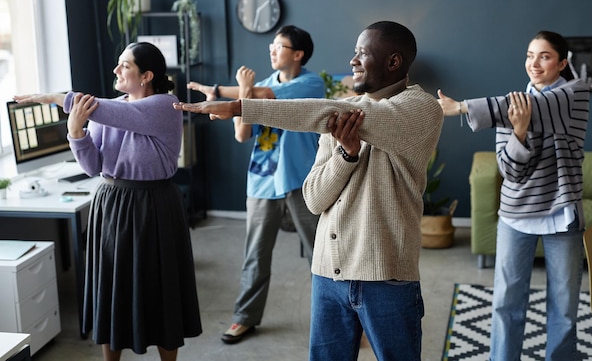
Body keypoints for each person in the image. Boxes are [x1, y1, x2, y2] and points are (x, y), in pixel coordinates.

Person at [173, 21, 444, 360]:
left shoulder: (420, 109)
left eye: (362, 53)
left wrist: (242, 107)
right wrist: (347, 155)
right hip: (327, 275)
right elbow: (315, 199)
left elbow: (347, 113)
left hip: (386, 276)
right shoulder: (339, 114)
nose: (353, 61)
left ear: (393, 62)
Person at [15, 41, 202, 361]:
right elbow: (93, 167)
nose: (116, 70)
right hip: (113, 203)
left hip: (154, 204)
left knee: (159, 288)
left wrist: (52, 98)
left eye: (125, 65)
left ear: (146, 76)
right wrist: (76, 133)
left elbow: (120, 113)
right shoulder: (104, 110)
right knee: (112, 289)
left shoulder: (165, 106)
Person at [437, 30, 589, 360]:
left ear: (562, 63)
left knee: (564, 306)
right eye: (529, 55)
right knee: (507, 301)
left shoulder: (575, 94)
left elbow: (539, 107)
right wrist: (518, 131)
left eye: (545, 56)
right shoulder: (512, 108)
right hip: (516, 214)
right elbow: (510, 171)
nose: (534, 63)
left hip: (561, 217)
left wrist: (462, 107)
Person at [188, 25, 324, 344]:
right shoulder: (258, 85)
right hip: (262, 183)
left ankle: (342, 317)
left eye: (279, 45)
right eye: (272, 45)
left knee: (320, 255)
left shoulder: (310, 82)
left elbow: (263, 97)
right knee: (256, 255)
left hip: (301, 181)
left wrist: (227, 90)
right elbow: (241, 133)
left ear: (298, 54)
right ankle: (244, 317)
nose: (272, 50)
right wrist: (232, 92)